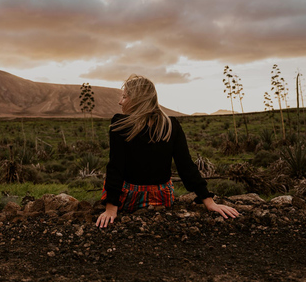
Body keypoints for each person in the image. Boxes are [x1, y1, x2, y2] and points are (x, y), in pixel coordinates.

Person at [96, 74, 239, 228]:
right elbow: (186, 166)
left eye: (124, 97)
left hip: (130, 198)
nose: (120, 102)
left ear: (137, 100)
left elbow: (115, 167)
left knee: (110, 176)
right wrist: (209, 202)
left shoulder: (120, 124)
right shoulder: (171, 125)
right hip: (162, 198)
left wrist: (111, 209)